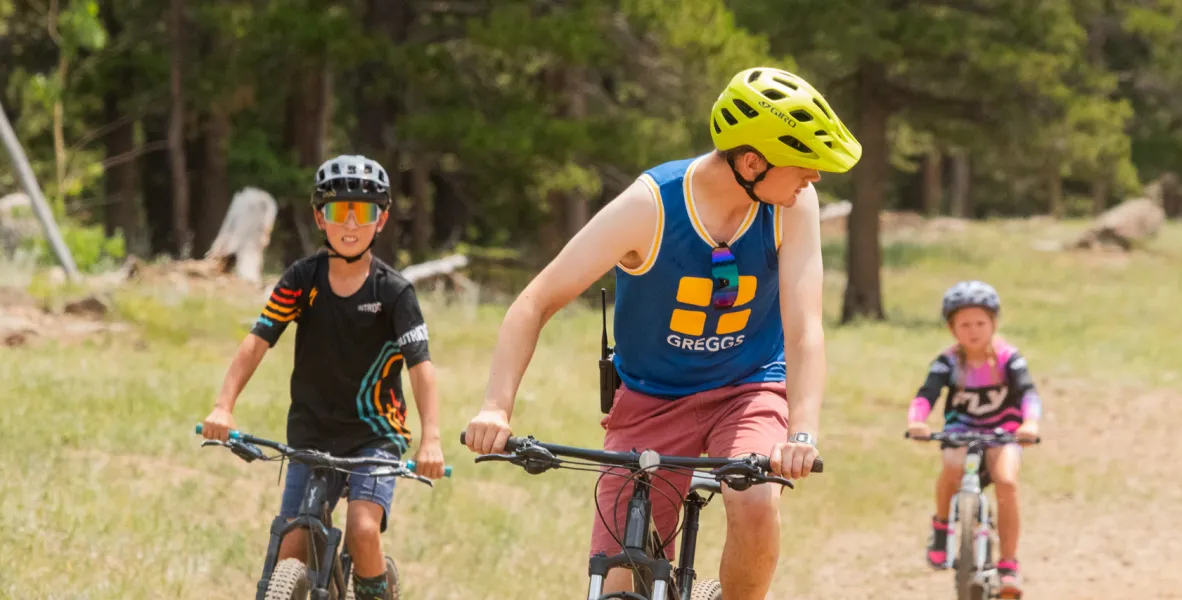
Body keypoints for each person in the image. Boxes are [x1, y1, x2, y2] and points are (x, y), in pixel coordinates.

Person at [462, 66, 861, 599]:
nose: (813, 181)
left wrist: (802, 432)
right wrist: (496, 405)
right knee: (618, 581)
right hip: (650, 400)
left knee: (757, 501)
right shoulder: (648, 208)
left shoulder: (792, 206)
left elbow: (804, 327)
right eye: (805, 168)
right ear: (751, 162)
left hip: (748, 391)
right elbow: (535, 301)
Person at [199, 154, 445, 600]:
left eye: (364, 212)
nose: (350, 223)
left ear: (382, 219)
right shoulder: (301, 278)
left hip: (375, 435)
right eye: (337, 211)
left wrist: (431, 439)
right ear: (319, 217)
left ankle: (375, 589)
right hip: (311, 431)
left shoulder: (394, 292)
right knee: (292, 545)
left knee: (363, 529)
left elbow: (421, 368)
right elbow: (258, 341)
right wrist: (223, 405)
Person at [906, 281, 1040, 597]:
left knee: (1006, 482)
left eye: (981, 322)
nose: (974, 330)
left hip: (1003, 430)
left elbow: (1028, 394)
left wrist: (1030, 423)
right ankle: (941, 526)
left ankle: (1008, 564)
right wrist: (917, 421)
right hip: (960, 429)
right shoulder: (948, 362)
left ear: (993, 323)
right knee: (952, 469)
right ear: (952, 328)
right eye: (964, 324)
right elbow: (926, 395)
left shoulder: (1009, 358)